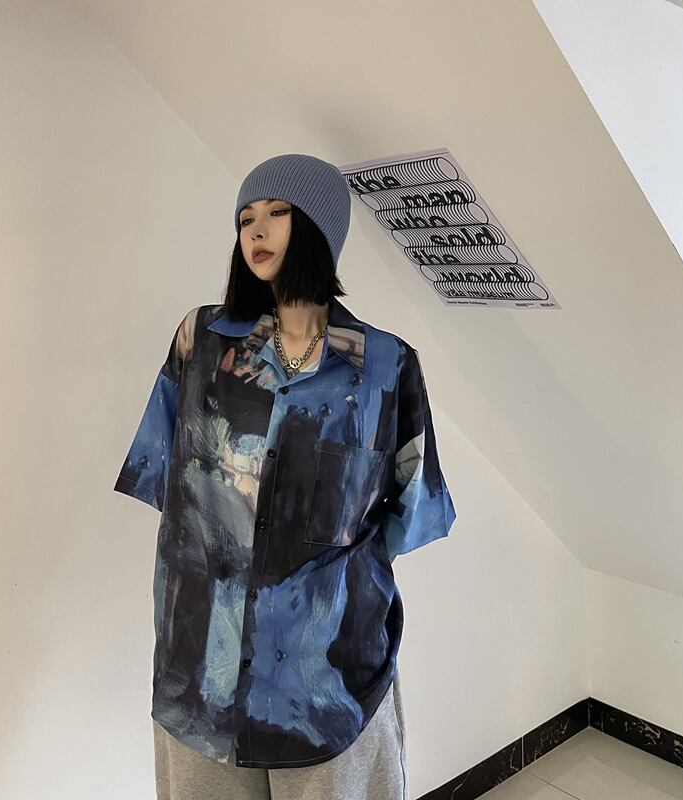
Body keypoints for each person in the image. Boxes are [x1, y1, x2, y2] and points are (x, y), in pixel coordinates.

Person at [113, 153, 457, 799]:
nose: (257, 230)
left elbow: (409, 514)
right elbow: (170, 489)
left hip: (327, 683)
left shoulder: (386, 366)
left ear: (322, 230)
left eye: (278, 212)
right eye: (246, 218)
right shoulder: (200, 340)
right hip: (202, 680)